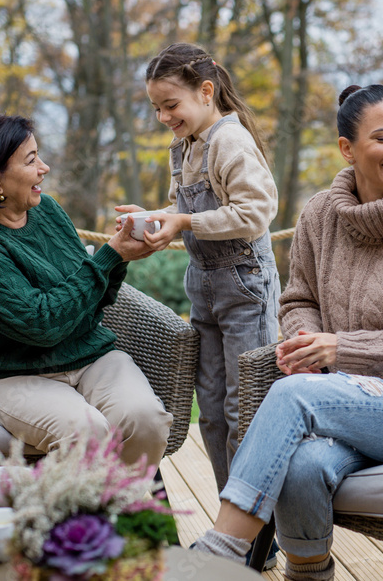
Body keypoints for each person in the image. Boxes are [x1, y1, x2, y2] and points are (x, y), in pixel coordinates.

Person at [190, 84, 383, 581]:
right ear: (347, 148)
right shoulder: (319, 215)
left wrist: (342, 349)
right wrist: (305, 342)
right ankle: (310, 571)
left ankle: (219, 553)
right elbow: (299, 300)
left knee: (294, 397)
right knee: (303, 465)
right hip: (354, 397)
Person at [0, 114, 173, 468]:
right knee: (86, 431)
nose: (44, 168)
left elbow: (94, 297)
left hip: (89, 357)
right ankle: (71, 520)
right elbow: (41, 324)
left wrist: (122, 253)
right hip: (11, 375)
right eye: (31, 161)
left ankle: (111, 511)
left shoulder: (46, 210)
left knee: (146, 420)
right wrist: (109, 256)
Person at [116, 43, 280, 495]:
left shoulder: (231, 140)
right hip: (204, 291)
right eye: (156, 108)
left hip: (245, 289)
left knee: (246, 409)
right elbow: (186, 208)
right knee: (209, 409)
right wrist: (153, 218)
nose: (163, 116)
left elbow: (257, 212)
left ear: (206, 92)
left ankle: (258, 530)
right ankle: (235, 519)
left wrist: (183, 222)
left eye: (171, 105)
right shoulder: (186, 146)